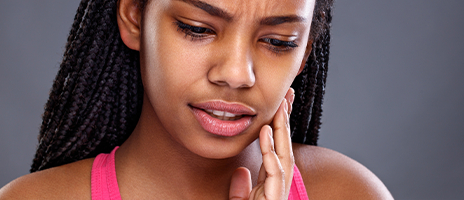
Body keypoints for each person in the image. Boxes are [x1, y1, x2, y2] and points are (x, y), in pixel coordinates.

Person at [0, 0, 393, 199]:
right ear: (135, 17)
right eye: (198, 28)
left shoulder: (349, 192)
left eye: (278, 42)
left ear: (305, 51)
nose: (237, 74)